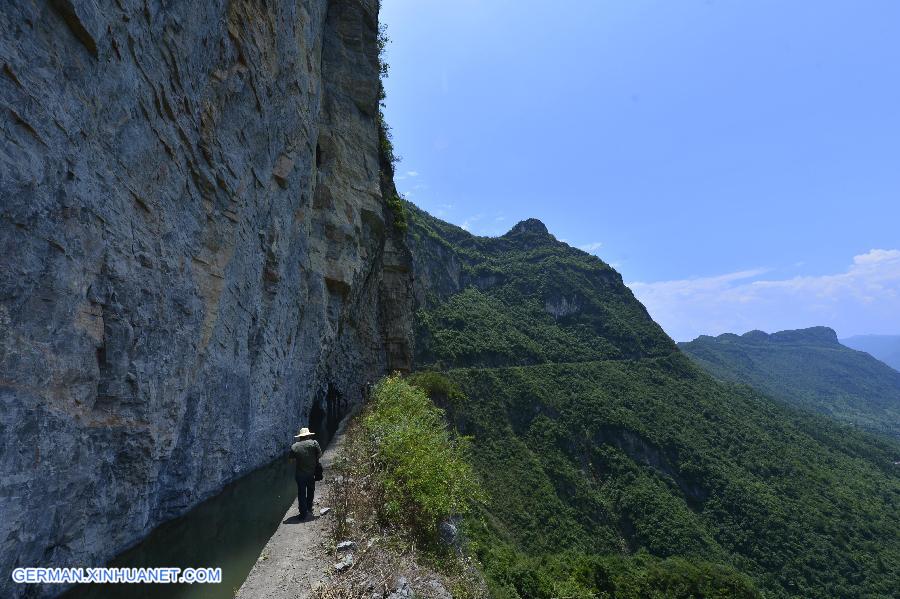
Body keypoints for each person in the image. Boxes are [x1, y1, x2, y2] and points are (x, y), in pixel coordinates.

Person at [290, 427, 322, 519]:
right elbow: (320, 454)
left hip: (300, 474)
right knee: (311, 490)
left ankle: (303, 513)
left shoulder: (295, 446)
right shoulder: (314, 443)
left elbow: (291, 461)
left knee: (301, 493)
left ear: (300, 437)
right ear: (308, 435)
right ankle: (309, 508)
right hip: (311, 473)